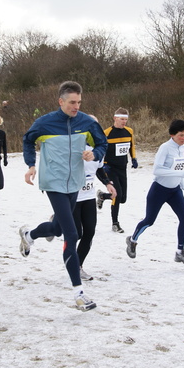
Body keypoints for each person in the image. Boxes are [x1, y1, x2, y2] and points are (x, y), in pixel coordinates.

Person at [19, 81, 108, 312]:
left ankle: (30, 234)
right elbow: (28, 140)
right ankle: (78, 294)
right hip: (53, 183)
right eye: (72, 102)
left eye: (79, 102)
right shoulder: (45, 122)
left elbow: (102, 143)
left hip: (75, 184)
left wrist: (95, 152)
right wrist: (30, 165)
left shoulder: (86, 122)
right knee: (72, 233)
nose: (76, 106)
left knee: (58, 228)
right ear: (61, 101)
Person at [125, 119, 184, 264]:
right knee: (149, 220)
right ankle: (132, 240)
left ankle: (180, 251)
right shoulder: (165, 148)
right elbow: (157, 170)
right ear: (172, 135)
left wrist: (181, 180)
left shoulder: (182, 148)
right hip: (159, 190)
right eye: (181, 135)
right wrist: (178, 175)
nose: (183, 138)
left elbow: (177, 167)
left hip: (175, 190)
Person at [72, 116, 117, 281]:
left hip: (89, 196)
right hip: (72, 197)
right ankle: (58, 221)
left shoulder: (99, 148)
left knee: (89, 232)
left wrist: (108, 183)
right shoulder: (73, 146)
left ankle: (77, 266)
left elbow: (98, 168)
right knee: (76, 233)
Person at [96, 107, 138, 233]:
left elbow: (132, 146)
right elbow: (101, 149)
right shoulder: (107, 132)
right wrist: (103, 164)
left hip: (122, 167)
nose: (124, 122)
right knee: (117, 195)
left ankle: (102, 196)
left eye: (126, 119)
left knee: (123, 198)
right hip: (110, 168)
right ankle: (115, 223)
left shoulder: (129, 131)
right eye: (121, 119)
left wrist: (134, 158)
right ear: (115, 118)